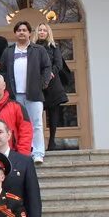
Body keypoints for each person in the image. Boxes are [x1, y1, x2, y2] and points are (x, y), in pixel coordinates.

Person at [0, 21, 53, 164]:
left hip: (34, 94)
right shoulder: (9, 51)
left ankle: (38, 153)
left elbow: (47, 67)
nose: (21, 32)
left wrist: (43, 84)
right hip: (14, 95)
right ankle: (21, 152)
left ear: (30, 33)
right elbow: (2, 70)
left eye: (24, 30)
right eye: (19, 30)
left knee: (36, 124)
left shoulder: (39, 50)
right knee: (15, 125)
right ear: (15, 33)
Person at [35, 22, 70, 152]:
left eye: (44, 30)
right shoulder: (32, 48)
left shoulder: (54, 47)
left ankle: (52, 141)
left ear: (48, 32)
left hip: (53, 84)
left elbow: (58, 64)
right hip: (37, 84)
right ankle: (37, 143)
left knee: (53, 112)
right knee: (36, 114)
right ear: (37, 32)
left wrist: (50, 74)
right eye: (40, 30)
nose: (42, 32)